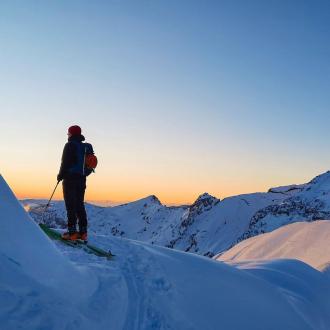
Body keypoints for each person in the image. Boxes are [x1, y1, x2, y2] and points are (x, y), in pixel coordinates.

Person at [57, 125, 91, 241]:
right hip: (82, 179)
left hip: (70, 179)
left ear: (71, 134)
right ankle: (83, 232)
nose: (68, 135)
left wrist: (60, 175)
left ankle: (72, 233)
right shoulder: (85, 147)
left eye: (68, 133)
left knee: (70, 205)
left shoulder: (69, 145)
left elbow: (64, 162)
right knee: (79, 205)